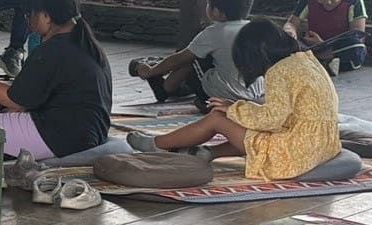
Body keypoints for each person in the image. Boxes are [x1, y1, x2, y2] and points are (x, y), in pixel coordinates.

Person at [138, 19, 341, 177]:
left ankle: (158, 144)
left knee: (217, 118)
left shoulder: (279, 72)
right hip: (323, 145)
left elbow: (271, 119)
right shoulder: (305, 60)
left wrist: (233, 109)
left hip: (295, 153)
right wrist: (241, 109)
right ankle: (208, 152)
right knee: (247, 120)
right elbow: (281, 115)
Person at [0, 0, 112, 160]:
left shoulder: (53, 50)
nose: (29, 21)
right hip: (89, 133)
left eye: (30, 14)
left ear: (46, 16)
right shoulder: (85, 44)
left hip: (61, 136)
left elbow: (14, 99)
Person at [127, 0, 258, 106]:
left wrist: (152, 71)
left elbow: (180, 58)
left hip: (227, 95)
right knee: (208, 57)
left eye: (208, 3)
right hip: (255, 96)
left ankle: (165, 88)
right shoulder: (257, 30)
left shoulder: (216, 32)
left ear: (218, 12)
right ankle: (184, 89)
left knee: (194, 58)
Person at [294, 0, 369, 76]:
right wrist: (290, 30)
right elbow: (292, 23)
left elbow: (358, 35)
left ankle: (323, 59)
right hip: (313, 46)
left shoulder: (354, 2)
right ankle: (326, 61)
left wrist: (324, 45)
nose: (327, 2)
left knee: (356, 46)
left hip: (339, 50)